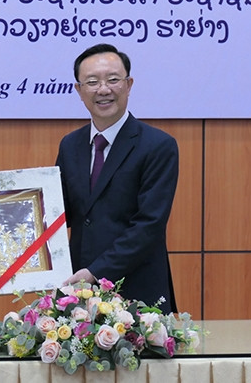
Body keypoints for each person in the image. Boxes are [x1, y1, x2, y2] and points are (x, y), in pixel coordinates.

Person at [56, 43, 179, 314]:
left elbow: (148, 225)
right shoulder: (70, 145)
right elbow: (55, 213)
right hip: (79, 295)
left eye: (113, 80)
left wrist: (95, 272)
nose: (103, 89)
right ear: (79, 90)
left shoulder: (158, 145)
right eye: (92, 82)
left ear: (128, 85)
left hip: (138, 296)